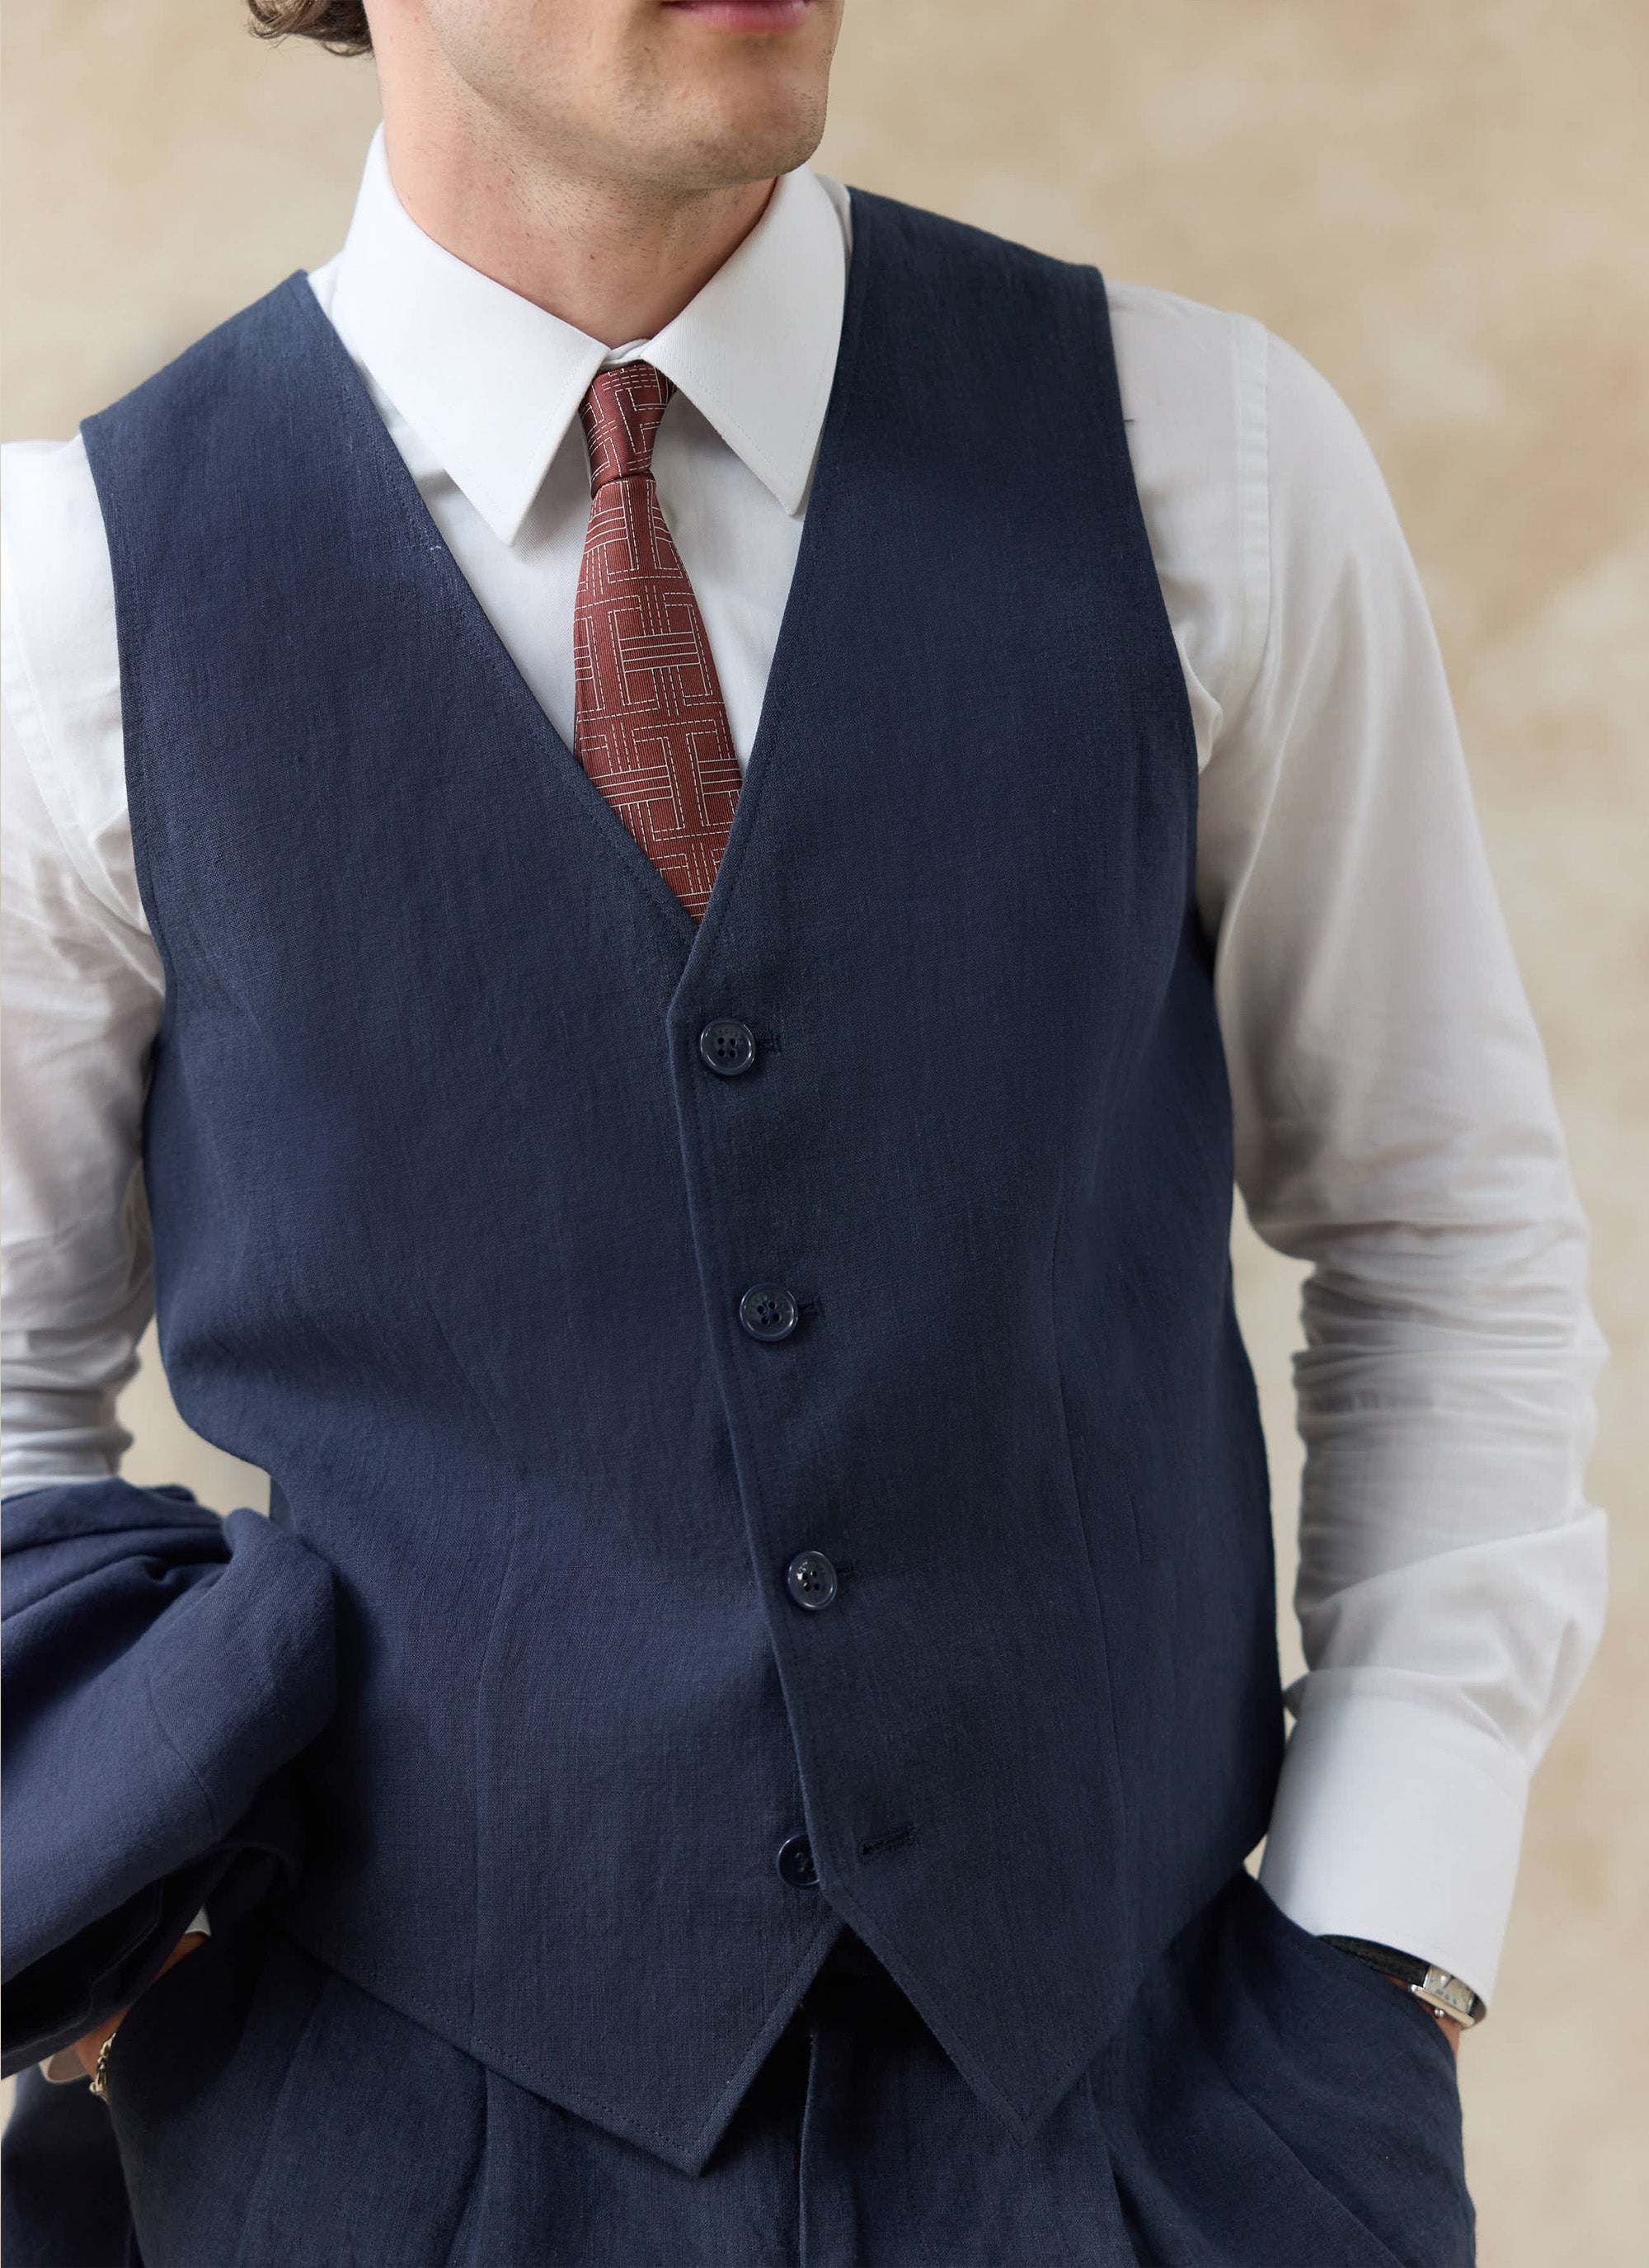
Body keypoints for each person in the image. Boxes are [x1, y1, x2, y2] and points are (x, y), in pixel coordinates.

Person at [0, 1, 1606, 2261]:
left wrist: (1384, 1955)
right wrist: (108, 1928)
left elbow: (1445, 1238)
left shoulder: (1205, 464)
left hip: (1155, 2135)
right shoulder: (71, 604)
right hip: (355, 2161)